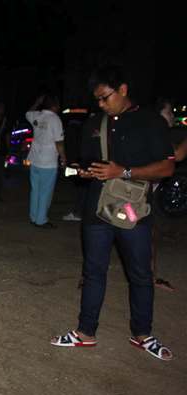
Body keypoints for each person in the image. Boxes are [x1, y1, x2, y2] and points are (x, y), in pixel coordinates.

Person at [51, 65, 176, 361]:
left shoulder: (150, 122)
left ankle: (142, 334)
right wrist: (82, 171)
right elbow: (88, 163)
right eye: (97, 99)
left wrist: (124, 172)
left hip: (134, 211)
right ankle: (85, 332)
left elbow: (167, 167)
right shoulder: (95, 123)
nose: (101, 104)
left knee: (141, 274)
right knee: (93, 271)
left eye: (105, 97)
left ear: (123, 89)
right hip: (97, 209)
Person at [26, 93, 66, 228]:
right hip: (48, 162)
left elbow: (28, 113)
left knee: (35, 190)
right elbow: (59, 142)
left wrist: (37, 102)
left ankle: (33, 217)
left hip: (34, 159)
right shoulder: (55, 119)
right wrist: (63, 158)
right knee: (45, 192)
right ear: (55, 105)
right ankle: (41, 220)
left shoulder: (36, 115)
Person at [150, 97, 176, 291]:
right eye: (169, 112)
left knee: (149, 234)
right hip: (134, 195)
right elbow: (178, 155)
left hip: (144, 193)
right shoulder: (156, 133)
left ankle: (150, 276)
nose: (172, 116)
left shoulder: (158, 133)